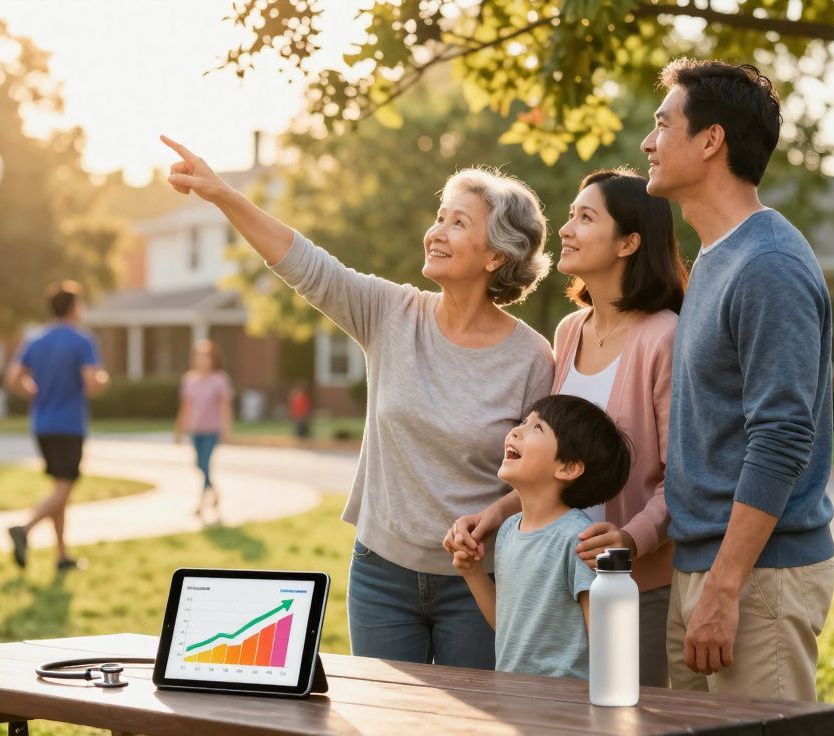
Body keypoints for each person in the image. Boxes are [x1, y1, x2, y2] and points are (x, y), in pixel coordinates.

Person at [161, 135, 554, 669]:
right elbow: (302, 262)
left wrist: (492, 514)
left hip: (477, 580)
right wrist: (223, 194)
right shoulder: (390, 313)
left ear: (496, 255)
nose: (436, 233)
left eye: (458, 223)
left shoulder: (531, 357)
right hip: (381, 574)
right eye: (439, 217)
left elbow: (537, 481)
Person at [446, 167, 685, 687]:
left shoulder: (663, 337)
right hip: (554, 575)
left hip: (632, 584)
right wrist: (496, 513)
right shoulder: (569, 330)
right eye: (571, 215)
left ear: (628, 242)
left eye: (585, 217)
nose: (566, 229)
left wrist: (629, 540)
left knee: (623, 716)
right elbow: (559, 458)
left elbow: (683, 477)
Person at [644, 59, 834, 701]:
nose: (648, 142)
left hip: (756, 578)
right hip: (704, 567)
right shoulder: (716, 255)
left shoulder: (767, 265)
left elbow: (782, 437)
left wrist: (726, 588)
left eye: (662, 124)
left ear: (710, 140)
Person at [452, 395, 631, 679]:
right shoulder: (509, 530)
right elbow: (508, 626)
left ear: (568, 468)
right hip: (514, 699)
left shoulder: (578, 541)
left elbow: (606, 648)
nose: (516, 431)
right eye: (524, 421)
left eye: (537, 428)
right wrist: (473, 573)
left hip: (564, 709)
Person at [3, 280, 109, 572]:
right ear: (74, 307)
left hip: (42, 423)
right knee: (64, 487)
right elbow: (91, 384)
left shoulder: (35, 339)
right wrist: (103, 380)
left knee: (58, 488)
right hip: (69, 424)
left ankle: (62, 556)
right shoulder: (82, 340)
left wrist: (33, 391)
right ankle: (24, 530)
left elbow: (13, 377)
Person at [174, 339, 233, 518]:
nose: (202, 361)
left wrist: (227, 429)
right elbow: (185, 407)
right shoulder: (189, 380)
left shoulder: (220, 380)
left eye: (206, 357)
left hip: (212, 430)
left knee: (206, 465)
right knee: (199, 465)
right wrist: (178, 430)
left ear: (213, 359)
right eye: (199, 357)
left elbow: (225, 406)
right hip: (196, 430)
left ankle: (201, 504)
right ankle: (215, 493)